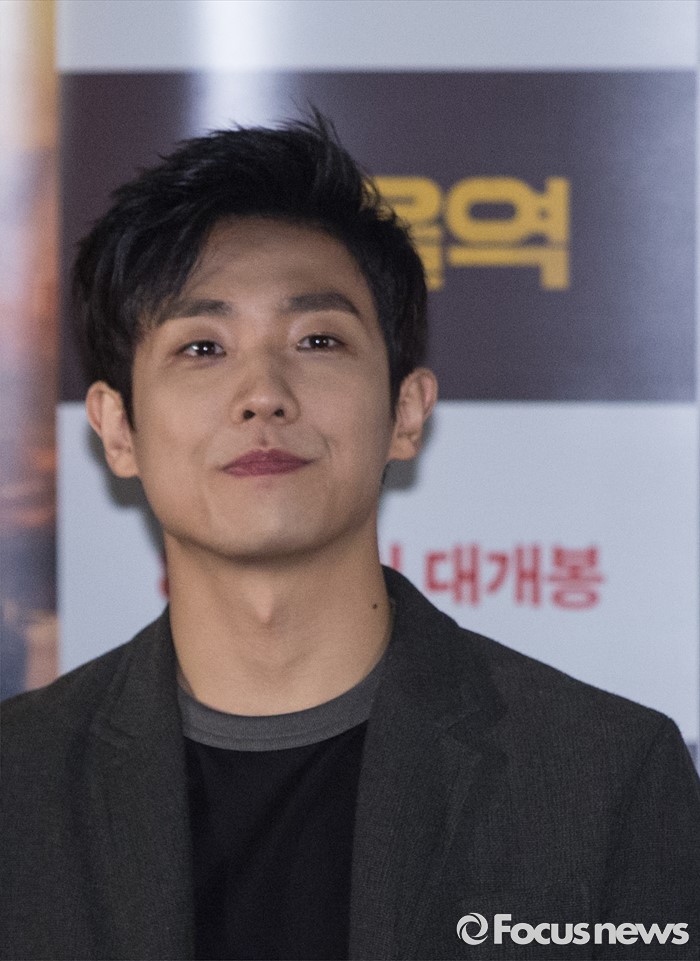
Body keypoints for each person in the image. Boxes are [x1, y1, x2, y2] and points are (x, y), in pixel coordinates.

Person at [2, 115, 699, 961]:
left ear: (406, 410)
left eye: (318, 340)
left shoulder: (605, 778)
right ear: (118, 430)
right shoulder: (19, 781)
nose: (263, 393)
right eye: (203, 346)